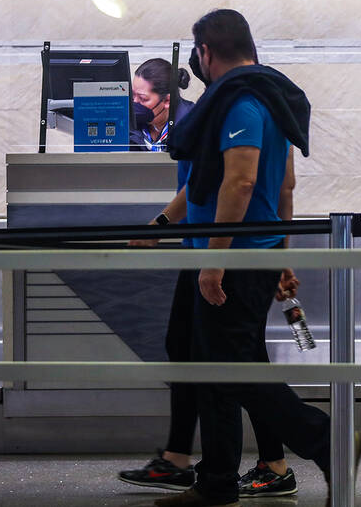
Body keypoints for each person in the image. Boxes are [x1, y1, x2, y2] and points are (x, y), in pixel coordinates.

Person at [150, 9, 350, 507]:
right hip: (246, 254)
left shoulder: (239, 103)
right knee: (215, 372)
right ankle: (217, 482)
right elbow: (284, 187)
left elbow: (239, 182)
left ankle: (326, 441)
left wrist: (215, 263)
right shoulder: (271, 97)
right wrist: (281, 256)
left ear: (206, 53)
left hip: (232, 260)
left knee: (233, 372)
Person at [117, 146, 304, 499]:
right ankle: (183, 459)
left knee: (233, 359)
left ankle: (300, 448)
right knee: (188, 347)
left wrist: (164, 224)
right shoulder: (239, 108)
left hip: (229, 252)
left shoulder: (246, 110)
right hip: (212, 248)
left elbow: (251, 184)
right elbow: (219, 183)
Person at [131, 58, 194, 151]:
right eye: (132, 96)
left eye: (143, 98)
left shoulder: (194, 126)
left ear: (167, 100)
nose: (135, 102)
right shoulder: (129, 124)